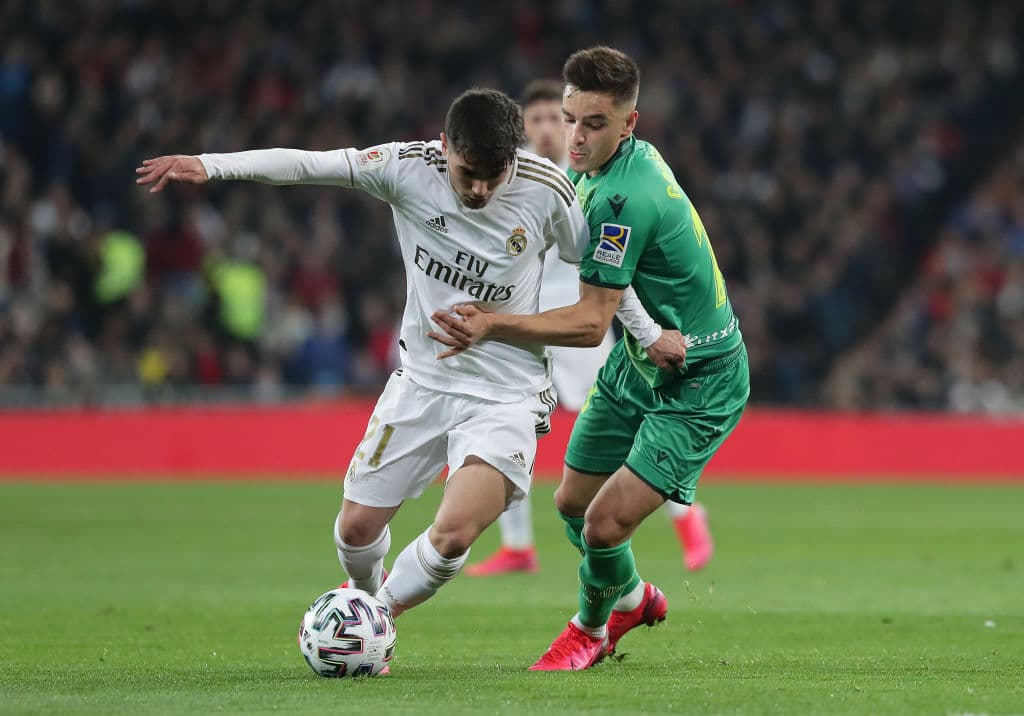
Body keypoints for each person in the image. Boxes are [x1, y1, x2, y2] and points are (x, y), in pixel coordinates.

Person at [136, 88, 686, 630]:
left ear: (513, 158)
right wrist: (212, 165)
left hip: (507, 395)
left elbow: (603, 276)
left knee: (454, 532)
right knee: (355, 531)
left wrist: (646, 333)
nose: (480, 188)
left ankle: (373, 621)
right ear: (444, 146)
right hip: (421, 383)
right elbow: (309, 165)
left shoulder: (547, 190)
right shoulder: (406, 167)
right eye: (468, 172)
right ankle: (365, 600)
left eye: (493, 175)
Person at [428, 49, 749, 671]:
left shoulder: (622, 198)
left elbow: (589, 323)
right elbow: (614, 284)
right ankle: (630, 597)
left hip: (699, 378)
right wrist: (648, 332)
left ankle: (590, 629)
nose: (575, 136)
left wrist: (491, 324)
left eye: (594, 124)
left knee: (603, 525)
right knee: (571, 503)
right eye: (570, 118)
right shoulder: (601, 170)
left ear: (629, 124)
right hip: (640, 361)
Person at [467, 79, 715, 577]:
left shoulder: (590, 180)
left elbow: (611, 268)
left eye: (553, 119)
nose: (545, 129)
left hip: (579, 324)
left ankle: (687, 515)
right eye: (535, 119)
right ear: (522, 127)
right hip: (524, 323)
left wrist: (641, 328)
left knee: (622, 428)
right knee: (499, 424)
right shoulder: (511, 179)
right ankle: (517, 546)